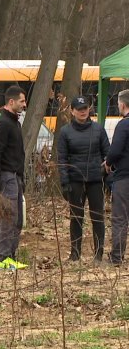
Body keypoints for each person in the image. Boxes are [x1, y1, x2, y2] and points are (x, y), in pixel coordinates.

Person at [58, 96, 110, 262]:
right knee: (76, 217)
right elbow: (62, 159)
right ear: (72, 111)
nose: (83, 111)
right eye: (79, 109)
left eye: (85, 108)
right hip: (75, 181)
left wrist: (105, 174)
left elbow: (107, 154)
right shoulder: (65, 132)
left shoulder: (98, 129)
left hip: (95, 179)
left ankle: (98, 254)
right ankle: (75, 254)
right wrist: (65, 183)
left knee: (97, 217)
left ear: (89, 109)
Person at [0, 85, 27, 267]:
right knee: (8, 218)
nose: (24, 104)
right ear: (11, 102)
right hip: (6, 176)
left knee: (17, 219)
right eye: (22, 101)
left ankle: (11, 256)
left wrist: (22, 177)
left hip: (15, 176)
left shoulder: (14, 122)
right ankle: (3, 258)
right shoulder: (3, 123)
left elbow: (17, 153)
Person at [104, 89, 129, 266]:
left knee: (120, 217)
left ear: (122, 104)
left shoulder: (124, 124)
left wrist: (108, 163)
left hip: (125, 177)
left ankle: (116, 257)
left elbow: (115, 150)